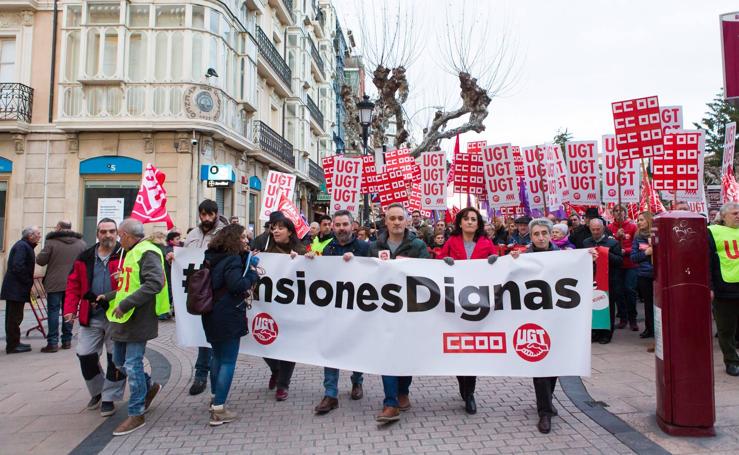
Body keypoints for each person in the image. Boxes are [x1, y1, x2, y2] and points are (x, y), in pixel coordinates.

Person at [509, 218, 593, 434]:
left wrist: (587, 259)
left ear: (550, 234)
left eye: (544, 233)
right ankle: (544, 412)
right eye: (536, 234)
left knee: (554, 363)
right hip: (533, 319)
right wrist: (511, 261)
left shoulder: (564, 255)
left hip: (558, 318)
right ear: (531, 236)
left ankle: (547, 402)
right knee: (540, 364)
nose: (540, 237)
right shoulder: (523, 257)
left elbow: (580, 272)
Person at [99, 218, 167, 436]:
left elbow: (154, 283)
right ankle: (149, 387)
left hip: (138, 319)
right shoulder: (131, 252)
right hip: (124, 319)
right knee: (119, 362)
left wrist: (126, 303)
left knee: (132, 363)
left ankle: (136, 413)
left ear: (127, 236)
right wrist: (109, 297)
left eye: (119, 235)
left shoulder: (147, 251)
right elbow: (130, 285)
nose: (118, 239)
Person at [369, 203, 431, 423]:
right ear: (385, 221)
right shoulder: (373, 246)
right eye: (392, 218)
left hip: (410, 310)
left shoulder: (418, 245)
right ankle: (390, 402)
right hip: (382, 310)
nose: (396, 222)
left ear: (406, 221)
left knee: (406, 353)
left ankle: (403, 389)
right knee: (387, 353)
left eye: (399, 218)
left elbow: (429, 273)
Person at [438, 207, 498, 415]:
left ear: (478, 223)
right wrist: (443, 261)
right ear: (460, 223)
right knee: (457, 349)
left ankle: (470, 393)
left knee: (471, 349)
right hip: (454, 304)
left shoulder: (486, 243)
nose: (470, 222)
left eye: (474, 219)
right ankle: (463, 385)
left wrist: (494, 261)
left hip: (477, 304)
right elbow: (438, 263)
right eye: (467, 219)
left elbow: (498, 263)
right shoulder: (452, 242)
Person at [63, 218, 126, 416]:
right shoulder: (85, 256)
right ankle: (98, 391)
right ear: (97, 234)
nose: (107, 235)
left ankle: (109, 398)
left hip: (117, 315)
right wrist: (69, 309)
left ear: (117, 233)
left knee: (115, 358)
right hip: (90, 315)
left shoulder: (126, 255)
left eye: (111, 231)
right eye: (103, 231)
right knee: (85, 354)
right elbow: (73, 285)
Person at [309, 210, 369, 415]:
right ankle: (330, 393)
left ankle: (357, 381)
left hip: (357, 309)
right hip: (334, 308)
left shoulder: (364, 247)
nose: (342, 228)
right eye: (338, 224)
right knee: (331, 348)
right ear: (332, 227)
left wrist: (357, 261)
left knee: (356, 347)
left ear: (353, 226)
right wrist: (309, 262)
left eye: (345, 224)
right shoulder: (328, 248)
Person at [201, 224, 259, 425]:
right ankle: (219, 409)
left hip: (211, 313)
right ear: (234, 239)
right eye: (243, 237)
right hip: (227, 314)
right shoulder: (232, 259)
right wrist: (253, 274)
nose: (246, 240)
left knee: (216, 357)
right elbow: (237, 285)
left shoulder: (212, 256)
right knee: (228, 361)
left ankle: (215, 398)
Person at [184, 199, 229, 396]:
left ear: (217, 214)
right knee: (201, 334)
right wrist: (174, 257)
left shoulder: (224, 233)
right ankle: (203, 374)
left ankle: (204, 375)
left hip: (216, 289)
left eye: (210, 215)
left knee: (211, 337)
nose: (207, 218)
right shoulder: (193, 234)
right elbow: (186, 257)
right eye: (203, 214)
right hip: (198, 289)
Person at [263, 217, 306, 400]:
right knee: (264, 344)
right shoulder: (265, 250)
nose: (276, 231)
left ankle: (283, 385)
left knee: (288, 346)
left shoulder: (301, 251)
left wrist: (305, 260)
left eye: (280, 228)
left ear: (290, 231)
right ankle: (275, 369)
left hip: (293, 308)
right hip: (270, 307)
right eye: (273, 228)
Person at [36, 220, 87, 352]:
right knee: (69, 311)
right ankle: (67, 341)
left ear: (58, 228)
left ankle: (52, 342)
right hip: (74, 283)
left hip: (54, 283)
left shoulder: (51, 242)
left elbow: (41, 261)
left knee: (53, 311)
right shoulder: (81, 244)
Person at [707, 202, 739, 376]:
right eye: (734, 213)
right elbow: (707, 262)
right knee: (726, 328)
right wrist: (710, 286)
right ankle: (731, 361)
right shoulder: (713, 232)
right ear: (724, 216)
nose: (737, 216)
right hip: (725, 287)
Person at [2, 226, 41, 354]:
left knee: (16, 316)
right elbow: (17, 266)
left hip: (16, 288)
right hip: (15, 288)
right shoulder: (22, 246)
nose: (39, 236)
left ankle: (15, 342)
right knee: (14, 317)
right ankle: (12, 345)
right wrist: (27, 281)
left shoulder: (25, 246)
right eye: (37, 234)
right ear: (30, 236)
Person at [583, 218, 623, 344]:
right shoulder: (586, 242)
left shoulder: (612, 243)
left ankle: (607, 334)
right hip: (591, 280)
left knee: (607, 307)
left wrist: (604, 253)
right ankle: (596, 332)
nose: (595, 232)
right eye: (593, 229)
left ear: (603, 228)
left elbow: (619, 261)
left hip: (608, 280)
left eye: (598, 229)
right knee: (593, 307)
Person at [608, 205, 639, 331]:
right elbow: (608, 244)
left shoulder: (632, 226)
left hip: (630, 264)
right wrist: (616, 237)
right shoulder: (609, 228)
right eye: (616, 211)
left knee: (630, 290)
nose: (619, 213)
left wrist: (625, 251)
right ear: (613, 213)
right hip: (617, 265)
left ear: (625, 213)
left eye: (621, 211)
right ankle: (623, 318)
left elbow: (636, 245)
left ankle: (633, 319)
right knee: (618, 292)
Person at [631, 212, 655, 341]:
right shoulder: (637, 238)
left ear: (648, 221)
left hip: (658, 274)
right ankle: (649, 328)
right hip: (644, 275)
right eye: (638, 220)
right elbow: (634, 258)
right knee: (648, 303)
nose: (639, 222)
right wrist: (646, 253)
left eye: (641, 220)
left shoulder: (658, 235)